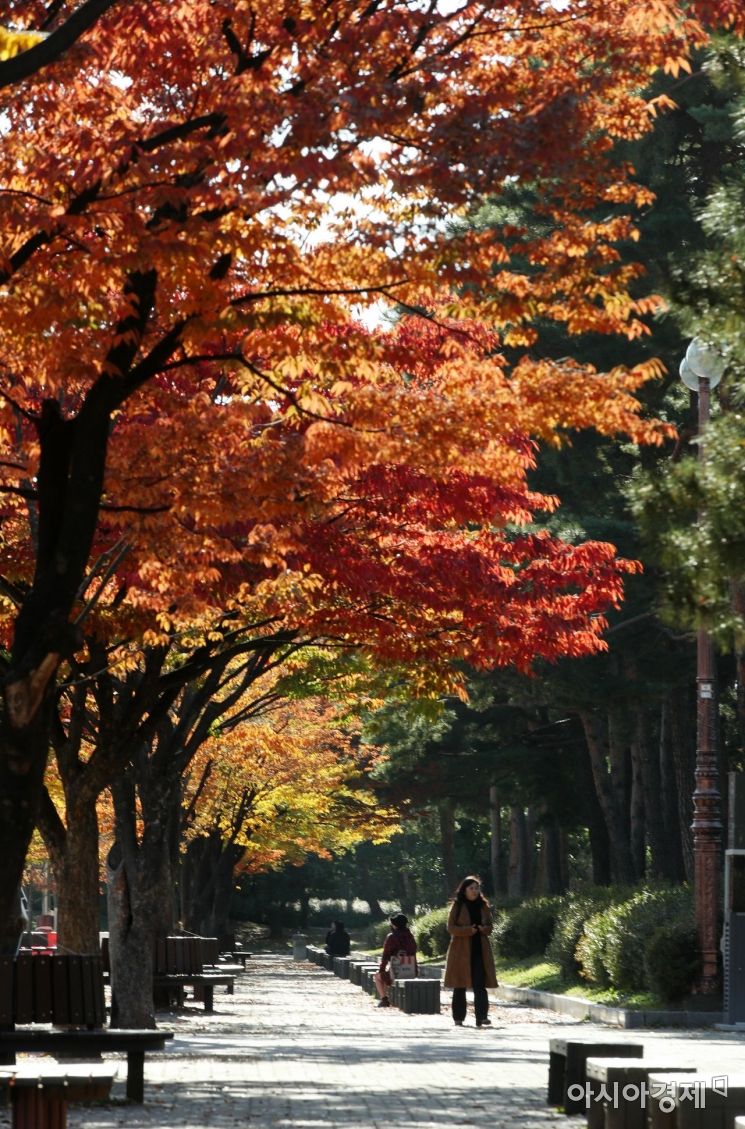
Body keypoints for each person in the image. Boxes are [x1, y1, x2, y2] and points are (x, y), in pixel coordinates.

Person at [444, 875, 498, 1027]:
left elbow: (490, 927)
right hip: (460, 951)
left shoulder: (483, 906)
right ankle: (458, 1017)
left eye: (477, 888)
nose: (475, 891)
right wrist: (468, 930)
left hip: (480, 951)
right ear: (464, 890)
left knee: (480, 986)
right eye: (471, 888)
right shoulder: (458, 905)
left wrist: (483, 929)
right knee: (459, 985)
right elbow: (451, 928)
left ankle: (481, 1017)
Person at [374, 912, 417, 1008]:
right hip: (412, 970)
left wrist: (381, 970)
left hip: (397, 971)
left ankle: (384, 999)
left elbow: (385, 957)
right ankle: (389, 998)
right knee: (386, 975)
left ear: (394, 925)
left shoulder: (391, 937)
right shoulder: (410, 936)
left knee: (378, 976)